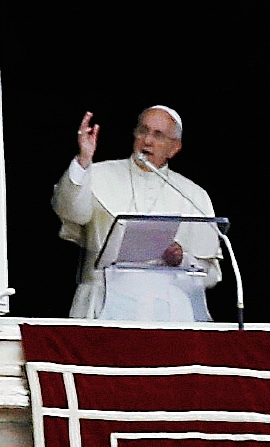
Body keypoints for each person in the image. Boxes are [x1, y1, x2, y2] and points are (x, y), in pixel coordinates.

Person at [51, 106, 222, 318]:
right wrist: (83, 160)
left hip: (168, 313)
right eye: (143, 131)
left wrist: (181, 260)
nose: (147, 141)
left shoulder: (193, 195)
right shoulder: (99, 174)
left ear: (174, 148)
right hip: (103, 306)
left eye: (158, 135)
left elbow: (211, 275)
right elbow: (72, 212)